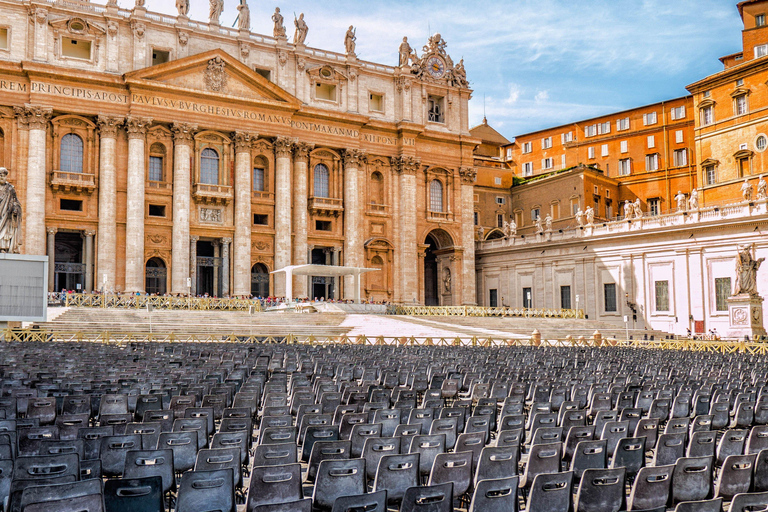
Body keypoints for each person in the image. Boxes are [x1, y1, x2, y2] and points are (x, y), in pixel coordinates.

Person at [0, 168, 22, 254]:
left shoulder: (10, 189)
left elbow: (15, 201)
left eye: (3, 176)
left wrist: (15, 208)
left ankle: (3, 247)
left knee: (5, 230)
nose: (1, 177)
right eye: (0, 175)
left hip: (6, 214)